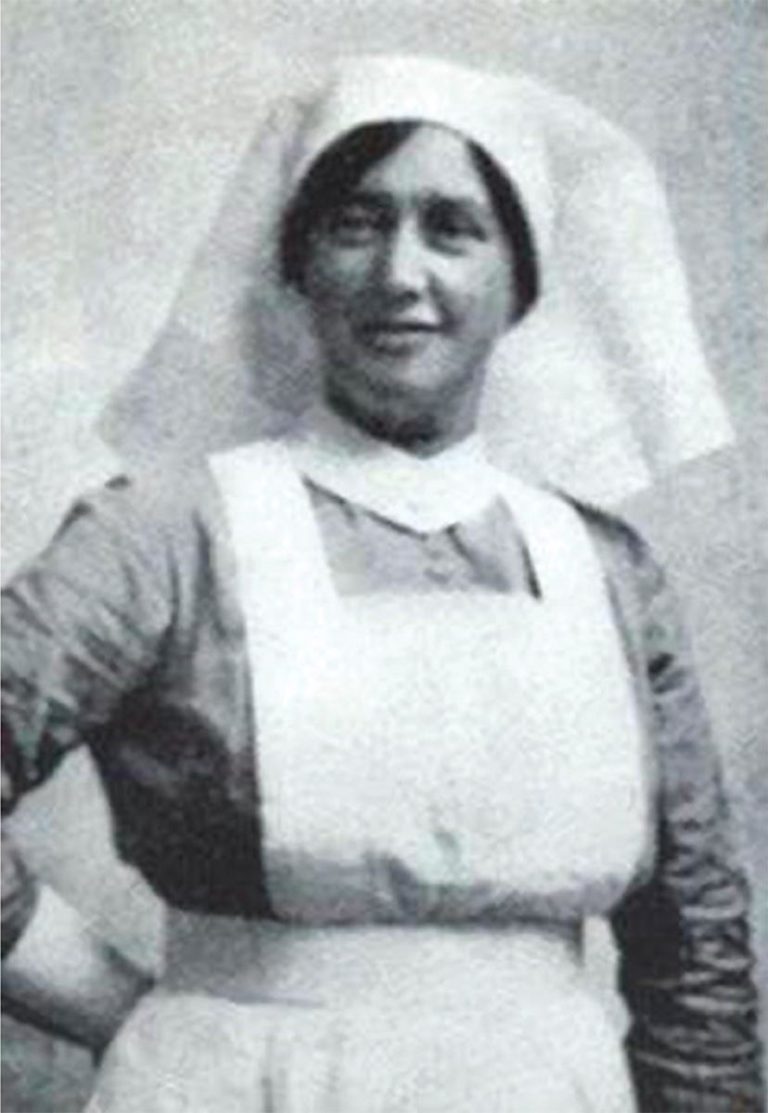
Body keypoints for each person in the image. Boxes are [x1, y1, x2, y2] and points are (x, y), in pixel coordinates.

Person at [1, 53, 763, 1112]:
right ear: (299, 264)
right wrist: (117, 1007)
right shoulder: (164, 536)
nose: (401, 274)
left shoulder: (608, 572)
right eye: (357, 224)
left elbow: (696, 949)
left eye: (453, 229)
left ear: (522, 281)